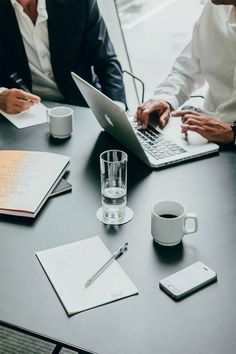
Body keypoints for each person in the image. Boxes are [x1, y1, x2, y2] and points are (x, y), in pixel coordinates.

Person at [135, 0, 236, 145]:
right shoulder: (213, 8)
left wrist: (232, 132)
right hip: (204, 130)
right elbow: (187, 69)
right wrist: (166, 98)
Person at [0, 0, 127, 114]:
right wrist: (1, 95)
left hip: (82, 104)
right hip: (27, 111)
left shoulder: (79, 2)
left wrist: (117, 107)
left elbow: (106, 60)